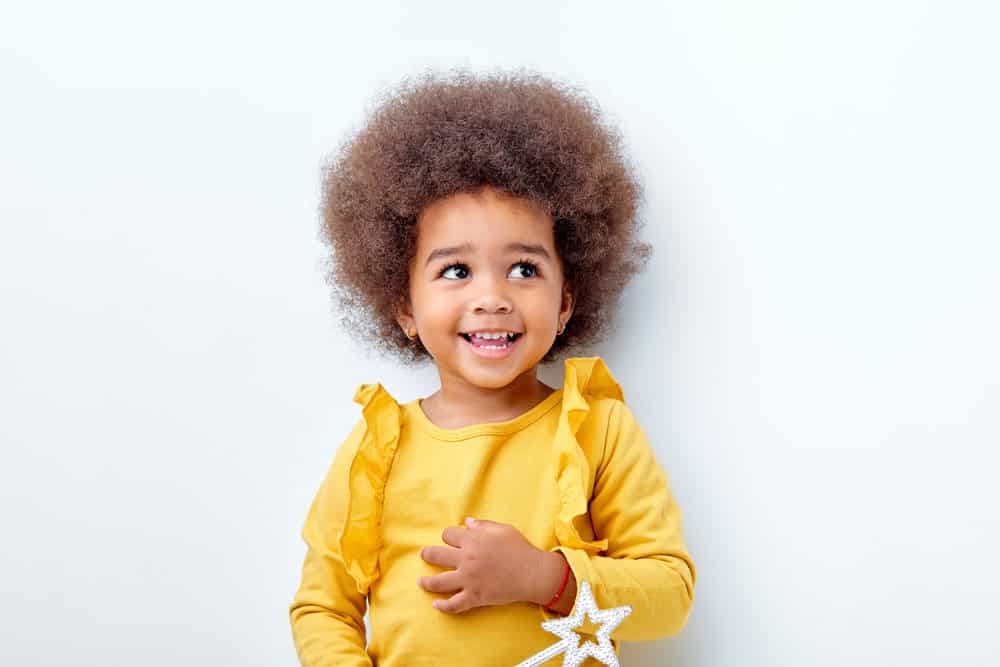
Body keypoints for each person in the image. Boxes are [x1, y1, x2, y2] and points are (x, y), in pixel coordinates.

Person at [288, 68, 697, 666]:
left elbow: (671, 594)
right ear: (404, 305)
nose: (492, 297)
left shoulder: (597, 431)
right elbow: (323, 607)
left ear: (565, 302)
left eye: (524, 269)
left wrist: (544, 578)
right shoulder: (378, 446)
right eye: (456, 270)